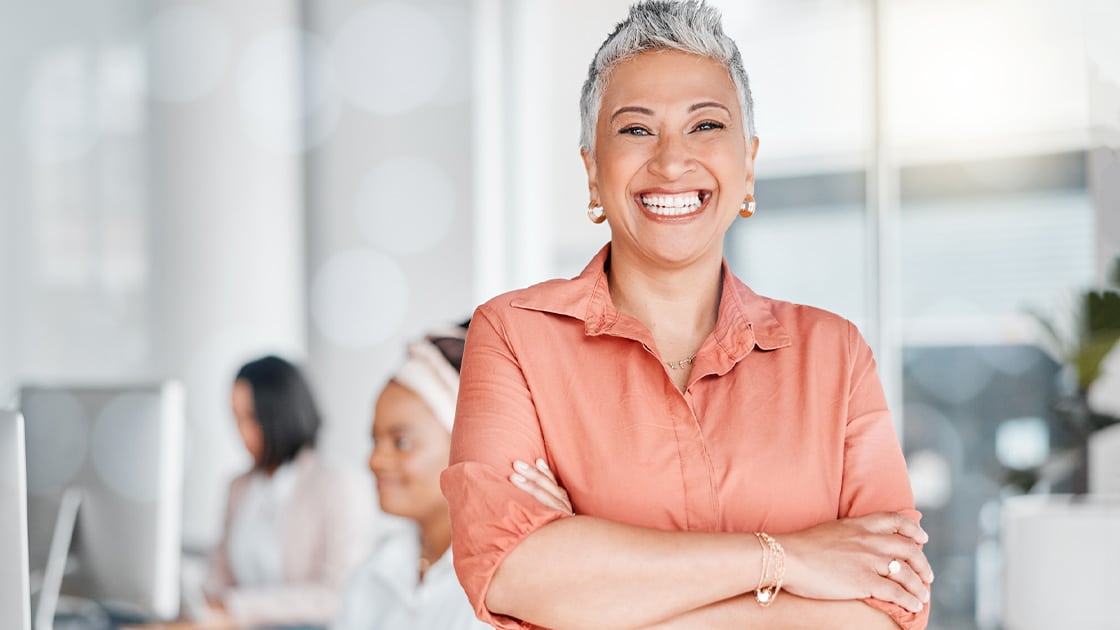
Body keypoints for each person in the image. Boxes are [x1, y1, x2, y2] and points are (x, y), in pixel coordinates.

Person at [441, 2, 932, 629]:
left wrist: (596, 583)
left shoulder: (835, 355)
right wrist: (790, 561)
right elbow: (510, 572)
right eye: (637, 130)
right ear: (592, 171)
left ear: (748, 163)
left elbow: (891, 609)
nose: (672, 161)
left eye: (705, 126)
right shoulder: (514, 335)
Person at [332, 323, 490, 630]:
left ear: (467, 444)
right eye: (374, 440)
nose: (375, 460)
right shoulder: (376, 570)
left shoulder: (507, 585)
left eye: (401, 442)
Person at [203, 355, 374, 627]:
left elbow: (337, 594)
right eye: (235, 418)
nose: (241, 433)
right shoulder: (238, 487)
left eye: (250, 417)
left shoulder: (335, 485)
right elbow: (218, 577)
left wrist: (238, 607)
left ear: (280, 414)